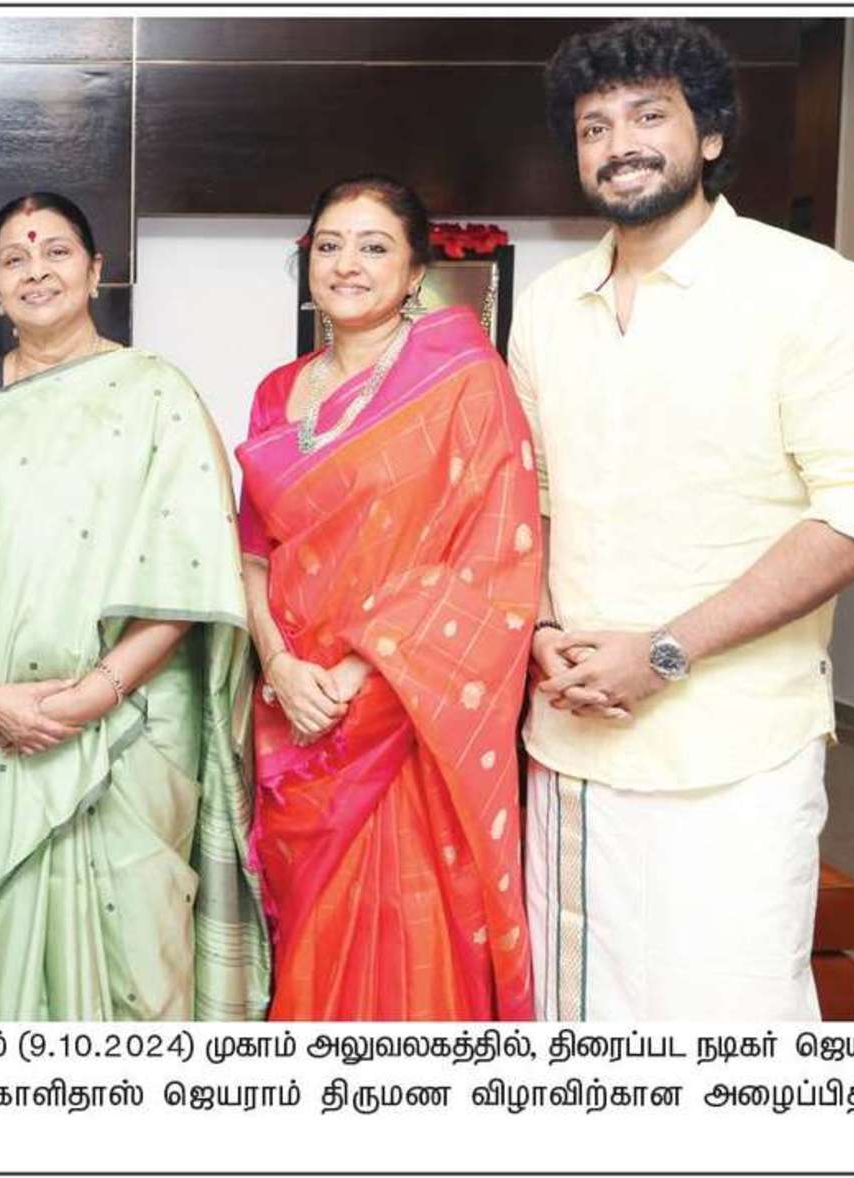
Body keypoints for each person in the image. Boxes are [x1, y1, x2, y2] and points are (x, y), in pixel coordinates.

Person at [514, 19, 854, 1020]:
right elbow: (530, 501)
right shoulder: (550, 305)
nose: (620, 144)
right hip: (568, 744)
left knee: (726, 1030)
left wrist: (663, 652)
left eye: (648, 116)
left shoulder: (810, 290)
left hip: (729, 754)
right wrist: (538, 629)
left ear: (710, 134)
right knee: (576, 1022)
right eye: (594, 127)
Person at [0, 192, 269, 1021]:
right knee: (9, 966)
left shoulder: (158, 395)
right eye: (15, 259)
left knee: (143, 956)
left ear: (96, 272)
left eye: (56, 251)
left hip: (135, 723)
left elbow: (194, 575)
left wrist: (92, 695)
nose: (37, 271)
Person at [236, 175, 538, 1021]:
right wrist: (280, 666)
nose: (347, 264)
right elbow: (251, 553)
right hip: (296, 707)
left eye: (374, 247)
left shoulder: (465, 379)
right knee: (310, 937)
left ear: (415, 273)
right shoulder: (276, 390)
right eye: (329, 245)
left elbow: (490, 561)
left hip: (405, 713)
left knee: (406, 939)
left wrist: (362, 677)